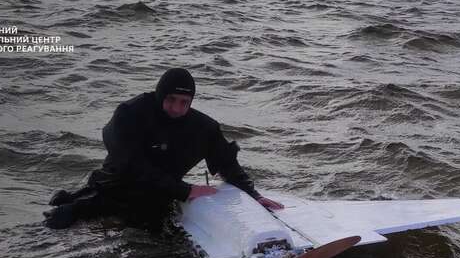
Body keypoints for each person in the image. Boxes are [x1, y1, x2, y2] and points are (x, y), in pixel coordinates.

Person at [44, 68, 283, 230]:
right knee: (61, 222)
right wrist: (185, 190)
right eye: (171, 100)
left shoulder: (203, 127)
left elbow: (227, 164)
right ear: (160, 95)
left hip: (159, 199)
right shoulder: (130, 114)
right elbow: (131, 166)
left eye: (184, 102)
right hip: (113, 191)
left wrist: (254, 197)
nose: (177, 109)